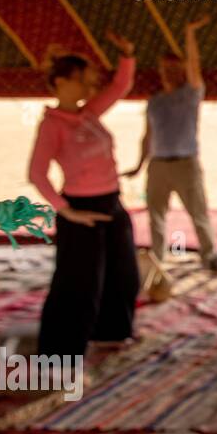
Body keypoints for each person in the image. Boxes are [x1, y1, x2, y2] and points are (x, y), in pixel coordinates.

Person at [28, 32, 141, 356]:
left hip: (111, 203)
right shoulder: (53, 125)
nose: (88, 87)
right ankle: (59, 354)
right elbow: (37, 173)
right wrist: (67, 211)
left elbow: (120, 86)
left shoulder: (88, 113)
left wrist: (127, 54)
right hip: (80, 209)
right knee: (78, 285)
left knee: (123, 274)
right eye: (81, 80)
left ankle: (111, 334)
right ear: (61, 82)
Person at [123, 17, 215, 264]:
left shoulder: (191, 94)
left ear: (182, 71)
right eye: (165, 67)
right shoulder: (155, 101)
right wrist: (140, 164)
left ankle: (209, 256)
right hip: (159, 165)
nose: (169, 72)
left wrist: (189, 35)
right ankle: (158, 259)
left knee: (198, 213)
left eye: (175, 67)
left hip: (186, 163)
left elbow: (195, 65)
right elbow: (147, 135)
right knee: (156, 215)